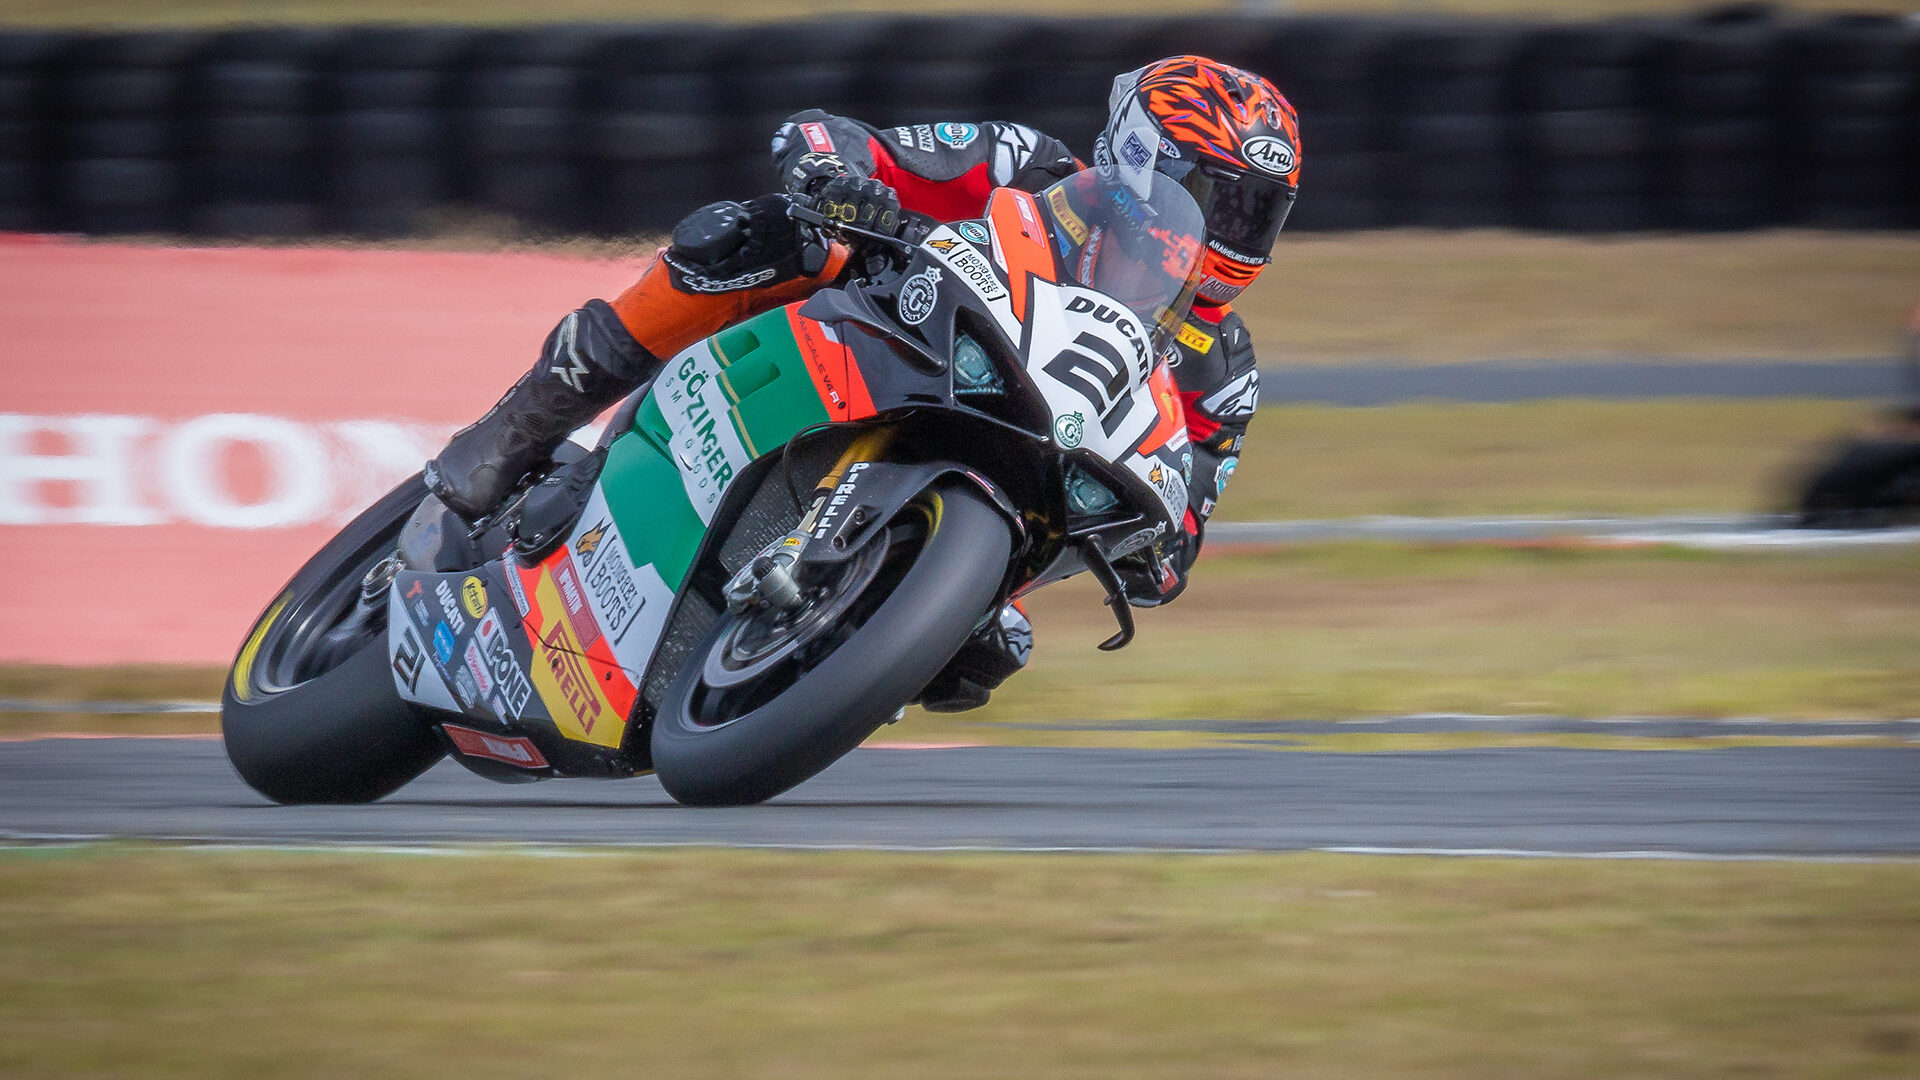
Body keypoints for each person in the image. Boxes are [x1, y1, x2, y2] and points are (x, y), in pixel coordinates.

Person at [424, 55, 1301, 710]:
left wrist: (1156, 551)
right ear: (1142, 157)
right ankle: (524, 425)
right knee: (762, 236)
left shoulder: (1222, 369)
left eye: (1259, 212)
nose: (1236, 231)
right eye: (1220, 198)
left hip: (1023, 483)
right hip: (884, 343)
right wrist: (836, 178)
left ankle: (852, 634)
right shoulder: (1025, 166)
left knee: (990, 652)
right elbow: (832, 137)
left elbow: (1181, 529)